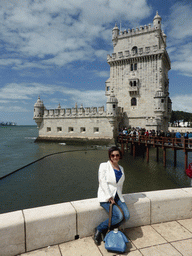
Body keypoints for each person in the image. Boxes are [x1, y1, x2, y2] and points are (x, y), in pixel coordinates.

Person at [94, 146, 130, 245]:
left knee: (126, 216)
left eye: (117, 155)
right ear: (110, 156)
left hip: (118, 196)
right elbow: (102, 181)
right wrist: (109, 196)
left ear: (120, 156)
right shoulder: (104, 166)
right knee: (118, 216)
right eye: (112, 155)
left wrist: (117, 197)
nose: (115, 157)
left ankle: (108, 229)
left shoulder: (121, 168)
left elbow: (119, 185)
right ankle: (99, 229)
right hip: (106, 197)